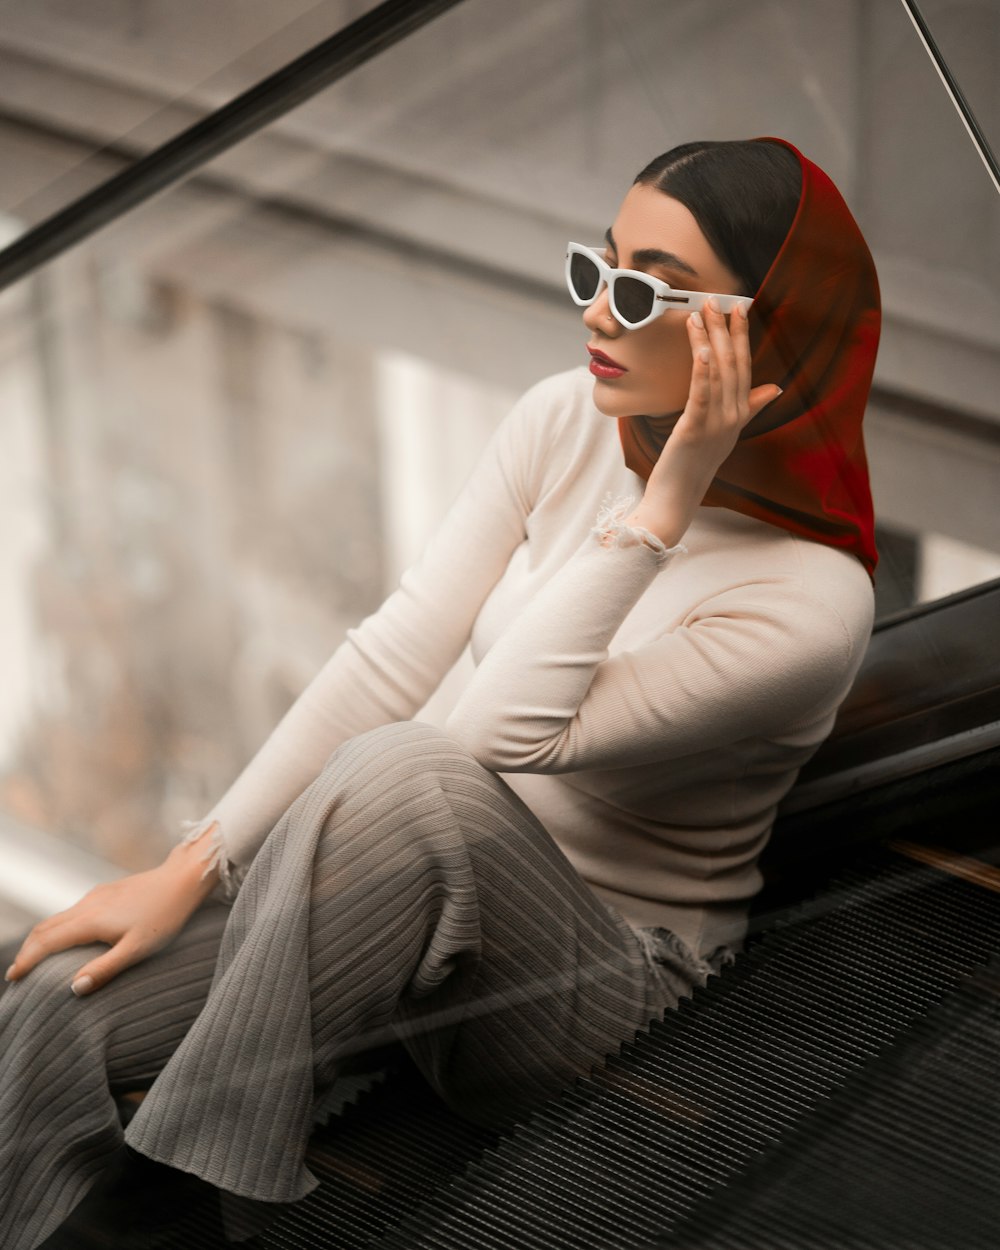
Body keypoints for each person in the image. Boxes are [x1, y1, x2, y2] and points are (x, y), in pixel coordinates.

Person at [0, 135, 880, 1250]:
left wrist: (663, 505)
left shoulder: (811, 600)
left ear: (757, 330)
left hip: (603, 996)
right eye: (592, 268)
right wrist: (193, 867)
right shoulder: (565, 418)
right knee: (61, 997)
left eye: (642, 289)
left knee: (411, 764)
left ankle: (192, 1197)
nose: (596, 315)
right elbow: (394, 650)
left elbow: (491, 733)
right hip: (407, 914)